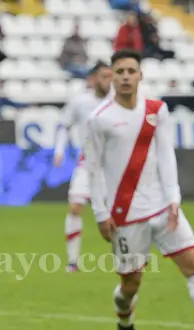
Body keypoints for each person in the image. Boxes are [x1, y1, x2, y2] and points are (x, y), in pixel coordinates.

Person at [85, 49, 194, 330]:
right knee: (130, 285)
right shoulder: (100, 119)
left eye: (131, 71)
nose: (125, 77)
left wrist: (174, 198)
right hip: (125, 214)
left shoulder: (156, 110)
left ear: (140, 75)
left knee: (193, 265)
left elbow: (166, 155)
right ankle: (125, 322)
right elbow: (92, 169)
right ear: (112, 76)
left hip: (162, 207)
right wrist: (101, 213)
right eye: (119, 71)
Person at [53, 61, 112, 272]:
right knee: (75, 207)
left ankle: (128, 259)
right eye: (104, 76)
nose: (109, 81)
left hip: (114, 166)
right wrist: (59, 150)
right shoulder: (80, 102)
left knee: (119, 214)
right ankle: (72, 261)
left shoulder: (118, 102)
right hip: (87, 163)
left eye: (110, 76)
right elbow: (64, 125)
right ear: (94, 78)